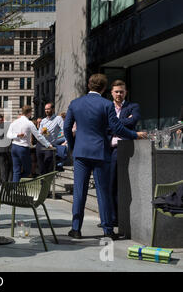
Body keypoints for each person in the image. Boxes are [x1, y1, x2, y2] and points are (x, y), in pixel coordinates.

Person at [63, 74, 147, 240]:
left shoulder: (75, 103)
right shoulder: (107, 104)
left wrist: (73, 147)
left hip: (81, 153)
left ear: (89, 85)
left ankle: (76, 229)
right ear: (104, 88)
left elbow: (67, 128)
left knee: (80, 192)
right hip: (101, 152)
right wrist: (134, 135)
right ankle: (108, 230)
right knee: (103, 192)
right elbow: (117, 128)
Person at [103, 80, 141, 228]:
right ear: (111, 93)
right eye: (116, 91)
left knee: (117, 185)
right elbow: (105, 126)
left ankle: (116, 218)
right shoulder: (106, 106)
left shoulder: (133, 106)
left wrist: (114, 124)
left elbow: (134, 121)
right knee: (109, 185)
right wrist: (123, 122)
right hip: (107, 149)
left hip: (123, 148)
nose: (119, 94)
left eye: (122, 91)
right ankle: (112, 218)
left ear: (126, 92)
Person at [7, 105, 52, 183]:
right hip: (23, 148)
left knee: (16, 171)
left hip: (14, 147)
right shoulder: (29, 123)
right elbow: (38, 136)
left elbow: (8, 135)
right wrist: (47, 144)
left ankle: (15, 187)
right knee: (28, 170)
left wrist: (16, 135)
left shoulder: (14, 122)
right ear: (29, 113)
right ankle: (18, 184)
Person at [37, 103, 64, 175]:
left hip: (50, 145)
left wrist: (65, 141)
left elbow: (64, 129)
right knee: (41, 166)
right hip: (40, 144)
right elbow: (39, 134)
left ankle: (47, 181)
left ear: (53, 109)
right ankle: (42, 183)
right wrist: (42, 132)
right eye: (45, 109)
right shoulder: (43, 120)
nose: (46, 111)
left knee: (48, 163)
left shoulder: (58, 119)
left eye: (48, 109)